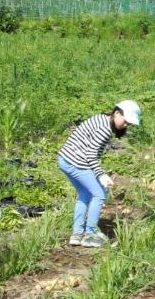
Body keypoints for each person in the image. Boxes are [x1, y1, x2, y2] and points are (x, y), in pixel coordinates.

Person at [58, 101, 141, 248]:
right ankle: (89, 234)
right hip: (76, 161)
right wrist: (101, 175)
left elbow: (91, 152)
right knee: (99, 194)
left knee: (85, 194)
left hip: (65, 159)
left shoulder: (103, 119)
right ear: (116, 113)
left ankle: (77, 234)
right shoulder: (104, 129)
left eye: (129, 123)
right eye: (125, 121)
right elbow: (90, 155)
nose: (126, 125)